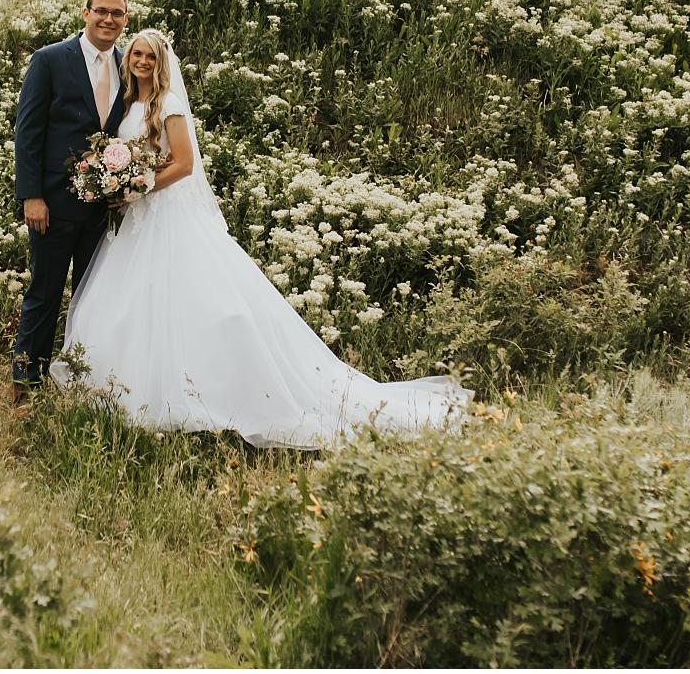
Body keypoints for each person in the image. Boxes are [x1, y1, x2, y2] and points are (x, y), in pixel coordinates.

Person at [52, 29, 472, 448]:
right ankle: (120, 385)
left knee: (191, 301)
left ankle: (194, 392)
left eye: (149, 56)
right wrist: (118, 184)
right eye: (137, 54)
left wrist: (140, 186)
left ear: (161, 62)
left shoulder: (170, 105)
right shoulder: (130, 102)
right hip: (136, 217)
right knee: (131, 300)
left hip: (163, 212)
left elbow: (183, 164)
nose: (141, 61)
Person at [11, 0, 130, 403]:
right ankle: (25, 384)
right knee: (43, 293)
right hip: (53, 204)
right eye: (101, 10)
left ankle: (79, 380)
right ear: (86, 13)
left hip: (103, 209)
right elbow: (27, 133)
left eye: (117, 13)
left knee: (92, 297)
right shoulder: (49, 60)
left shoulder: (128, 65)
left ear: (125, 19)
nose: (108, 19)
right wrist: (32, 196)